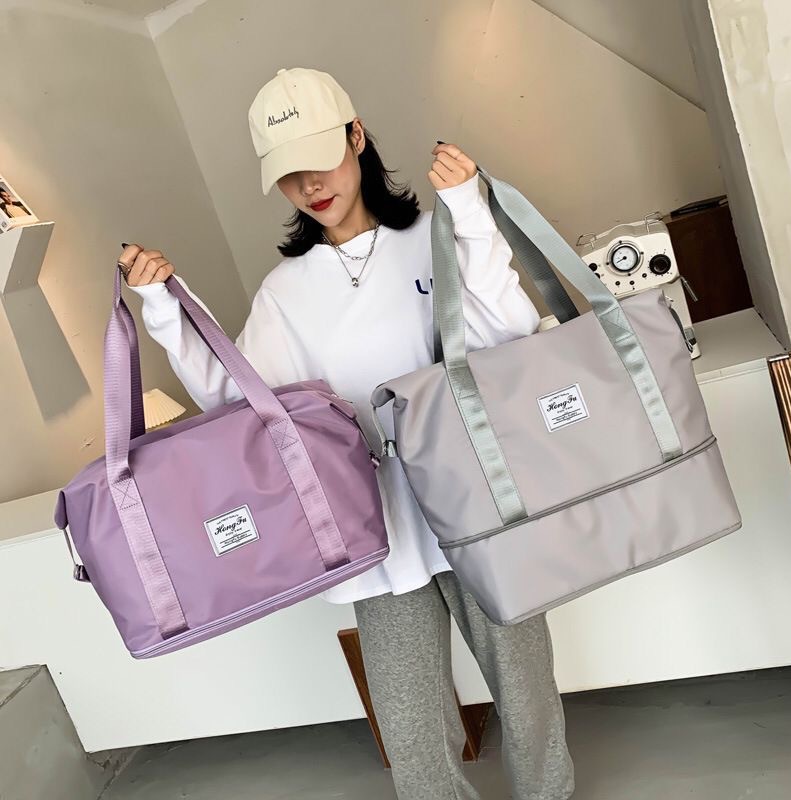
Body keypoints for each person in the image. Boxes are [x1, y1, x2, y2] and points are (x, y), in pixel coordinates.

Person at [119, 67, 575, 800]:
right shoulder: (285, 292)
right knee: (411, 734)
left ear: (357, 137)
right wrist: (166, 311)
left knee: (526, 694)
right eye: (288, 173)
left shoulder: (434, 237)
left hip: (476, 501)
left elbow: (511, 333)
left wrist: (471, 214)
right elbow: (243, 403)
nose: (309, 185)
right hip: (373, 524)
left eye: (319, 158)